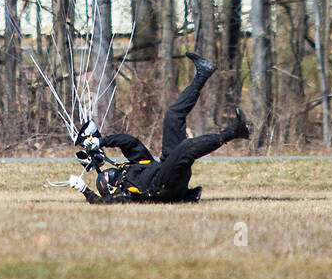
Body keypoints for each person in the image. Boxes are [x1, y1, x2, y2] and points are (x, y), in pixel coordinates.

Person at [64, 52, 248, 203]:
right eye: (102, 181)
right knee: (186, 148)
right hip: (164, 187)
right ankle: (233, 132)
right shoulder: (126, 193)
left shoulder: (134, 167)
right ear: (110, 188)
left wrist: (100, 142)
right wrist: (85, 191)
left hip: (167, 167)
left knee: (173, 116)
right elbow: (105, 204)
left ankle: (203, 74)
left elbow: (130, 143)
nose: (105, 173)